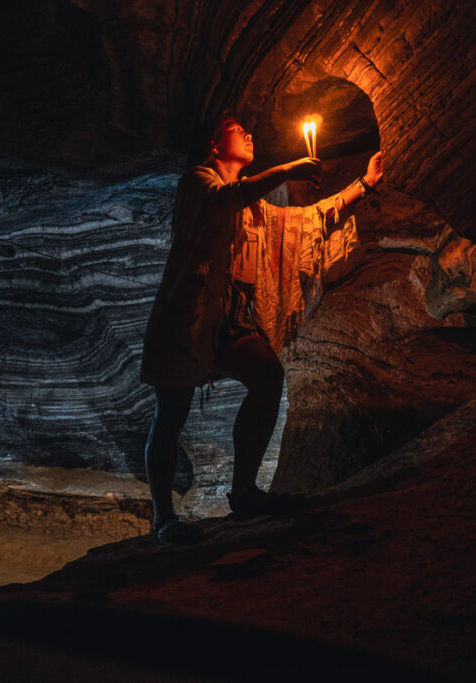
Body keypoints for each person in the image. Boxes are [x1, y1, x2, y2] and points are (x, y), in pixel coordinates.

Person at [141, 112, 384, 545]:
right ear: (214, 147)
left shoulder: (255, 208)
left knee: (267, 376)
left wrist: (362, 185)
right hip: (187, 317)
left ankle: (244, 494)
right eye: (237, 131)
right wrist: (288, 169)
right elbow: (223, 199)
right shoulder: (198, 182)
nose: (249, 134)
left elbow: (308, 223)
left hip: (234, 319)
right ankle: (163, 519)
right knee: (171, 413)